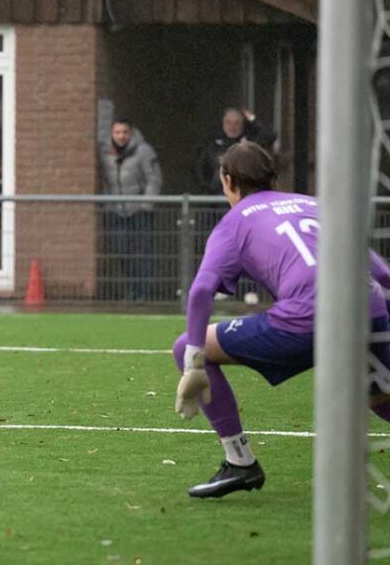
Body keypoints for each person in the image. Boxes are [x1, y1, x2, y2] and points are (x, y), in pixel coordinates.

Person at [172, 141, 390, 498]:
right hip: (368, 310)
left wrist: (194, 361)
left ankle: (240, 462)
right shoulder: (315, 205)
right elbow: (382, 273)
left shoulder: (234, 222)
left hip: (307, 320)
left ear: (228, 180)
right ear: (271, 177)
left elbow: (200, 291)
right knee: (381, 399)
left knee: (185, 345)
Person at [99, 119, 162, 301]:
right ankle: (133, 289)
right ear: (112, 134)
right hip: (117, 211)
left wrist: (146, 204)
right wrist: (107, 203)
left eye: (125, 132)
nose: (121, 136)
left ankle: (144, 292)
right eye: (117, 132)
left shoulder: (144, 151)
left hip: (139, 210)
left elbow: (153, 178)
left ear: (131, 133)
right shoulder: (105, 152)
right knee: (122, 251)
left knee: (143, 252)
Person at [195, 108, 276, 195]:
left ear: (243, 125)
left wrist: (252, 119)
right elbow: (200, 169)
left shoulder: (249, 142)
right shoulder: (212, 142)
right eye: (228, 123)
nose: (232, 127)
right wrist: (207, 189)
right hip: (216, 194)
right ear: (223, 123)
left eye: (237, 123)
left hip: (244, 192)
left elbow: (270, 136)